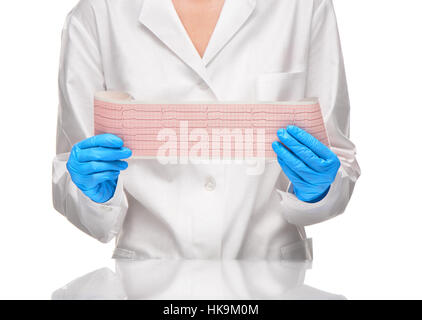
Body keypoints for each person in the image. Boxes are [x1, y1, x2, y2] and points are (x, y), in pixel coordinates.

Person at [53, 0, 360, 259]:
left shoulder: (304, 7)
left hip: (271, 276)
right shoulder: (98, 12)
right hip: (148, 279)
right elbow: (71, 175)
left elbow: (339, 163)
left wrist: (318, 190)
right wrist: (91, 195)